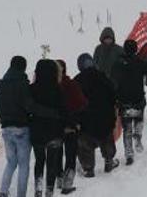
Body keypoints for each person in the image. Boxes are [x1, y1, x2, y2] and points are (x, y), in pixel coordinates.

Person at [0, 56, 39, 197]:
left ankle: (3, 192)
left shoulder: (0, 84)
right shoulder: (23, 84)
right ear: (23, 67)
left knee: (11, 162)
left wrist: (5, 113)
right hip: (22, 129)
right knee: (24, 164)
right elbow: (29, 106)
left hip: (5, 129)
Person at [74, 53, 119, 177]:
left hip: (86, 117)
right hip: (105, 115)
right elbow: (113, 93)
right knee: (106, 137)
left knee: (85, 142)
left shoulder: (77, 80)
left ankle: (88, 169)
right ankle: (109, 161)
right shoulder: (103, 76)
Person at [29, 59, 66, 197]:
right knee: (52, 162)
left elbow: (27, 109)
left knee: (39, 161)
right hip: (54, 132)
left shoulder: (31, 89)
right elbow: (64, 111)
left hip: (36, 132)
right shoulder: (58, 89)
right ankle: (49, 191)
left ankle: (38, 189)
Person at [55, 60, 88, 194]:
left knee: (57, 153)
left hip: (55, 126)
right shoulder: (71, 84)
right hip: (71, 124)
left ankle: (58, 178)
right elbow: (81, 103)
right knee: (70, 153)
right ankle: (67, 183)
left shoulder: (48, 85)